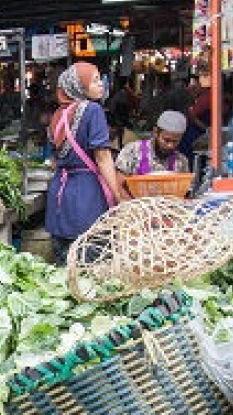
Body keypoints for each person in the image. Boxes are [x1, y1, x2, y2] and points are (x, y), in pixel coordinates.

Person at [45, 62, 130, 265]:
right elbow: (102, 157)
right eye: (95, 80)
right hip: (87, 200)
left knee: (63, 271)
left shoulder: (57, 115)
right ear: (79, 86)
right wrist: (118, 195)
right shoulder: (93, 110)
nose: (101, 84)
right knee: (93, 270)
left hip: (59, 201)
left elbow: (54, 161)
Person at [115, 110, 191, 176]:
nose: (170, 146)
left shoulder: (181, 162)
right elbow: (118, 184)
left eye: (175, 141)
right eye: (166, 140)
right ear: (155, 132)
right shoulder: (132, 151)